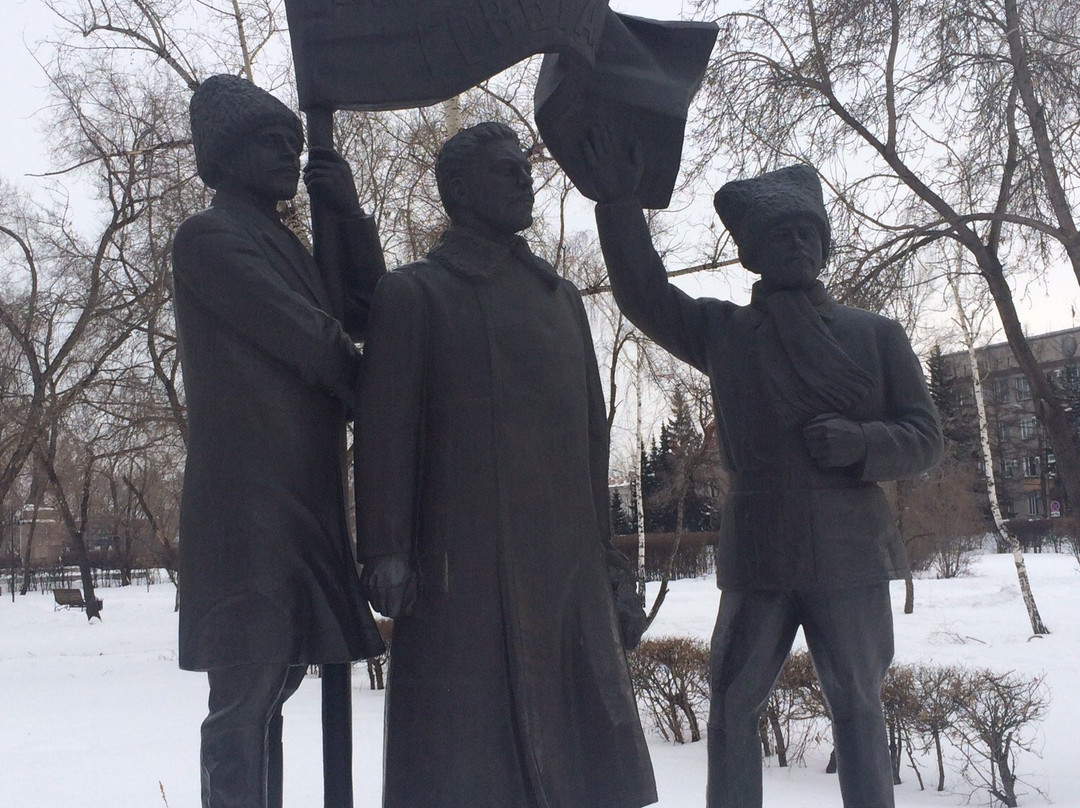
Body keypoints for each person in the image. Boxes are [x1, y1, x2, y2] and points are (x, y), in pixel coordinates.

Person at [580, 127, 943, 808]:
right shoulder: (724, 333)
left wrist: (862, 443)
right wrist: (618, 201)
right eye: (782, 237)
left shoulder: (877, 335)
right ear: (749, 253)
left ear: (826, 244)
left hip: (849, 553)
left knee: (860, 707)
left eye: (810, 234)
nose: (799, 246)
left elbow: (926, 438)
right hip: (761, 552)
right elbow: (644, 294)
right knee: (732, 704)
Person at [356, 122, 657, 808]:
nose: (525, 179)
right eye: (506, 170)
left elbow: (591, 435)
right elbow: (385, 433)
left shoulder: (562, 302)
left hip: (566, 565)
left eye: (525, 168)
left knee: (581, 768)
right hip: (460, 569)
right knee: (468, 768)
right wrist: (385, 549)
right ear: (459, 189)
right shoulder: (415, 294)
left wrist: (610, 561)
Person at [172, 74, 386, 808]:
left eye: (295, 146)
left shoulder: (289, 241)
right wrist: (377, 393)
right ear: (225, 154)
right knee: (247, 693)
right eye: (272, 143)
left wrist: (349, 214)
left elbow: (366, 312)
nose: (290, 158)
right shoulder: (209, 239)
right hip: (248, 503)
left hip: (301, 496)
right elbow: (303, 333)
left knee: (282, 678)